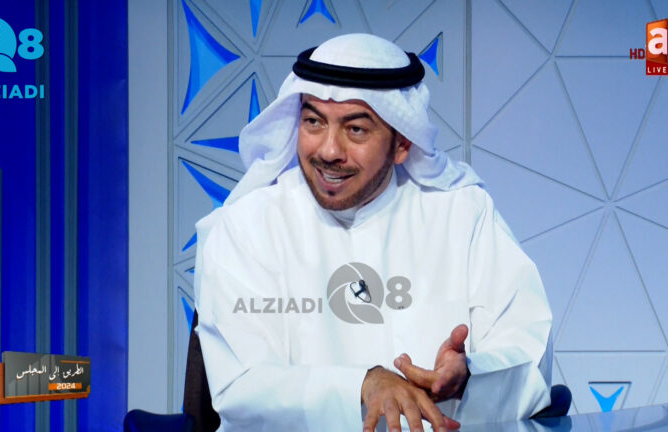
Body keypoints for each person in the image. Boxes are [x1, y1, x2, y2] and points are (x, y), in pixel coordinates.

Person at [193, 33, 553, 432]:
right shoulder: (248, 227)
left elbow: (529, 352)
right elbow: (241, 386)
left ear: (402, 143)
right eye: (313, 122)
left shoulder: (462, 214)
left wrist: (470, 375)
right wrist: (362, 386)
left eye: (356, 130)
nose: (329, 150)